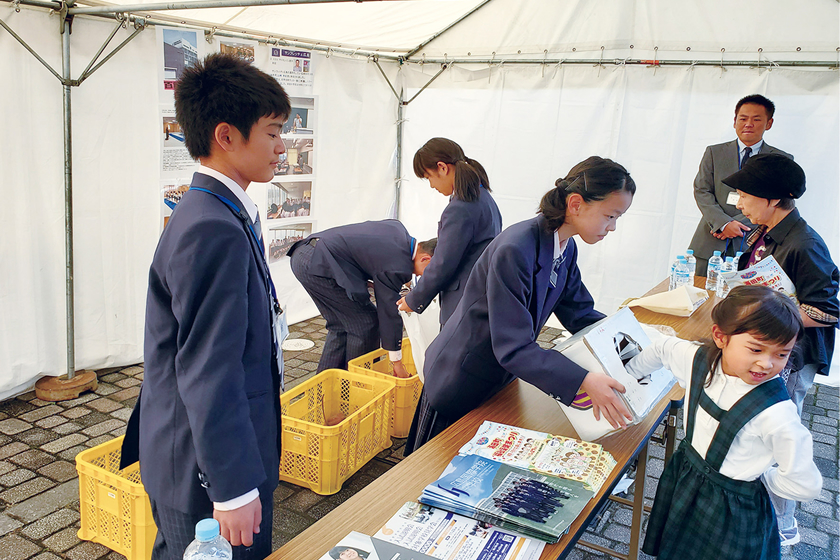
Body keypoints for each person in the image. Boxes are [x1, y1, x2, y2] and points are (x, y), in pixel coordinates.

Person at [119, 54, 290, 560]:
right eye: (273, 132)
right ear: (226, 136)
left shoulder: (217, 209)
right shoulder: (212, 225)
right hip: (202, 464)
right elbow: (208, 366)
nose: (283, 147)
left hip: (200, 450)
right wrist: (233, 487)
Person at [404, 156, 636, 455]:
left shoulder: (564, 246)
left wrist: (628, 339)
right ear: (576, 204)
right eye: (610, 216)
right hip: (462, 375)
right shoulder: (517, 248)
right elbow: (513, 346)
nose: (613, 227)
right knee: (433, 470)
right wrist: (583, 380)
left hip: (499, 374)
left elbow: (579, 312)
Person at [626, 286, 822, 560]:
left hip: (734, 510)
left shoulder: (778, 415)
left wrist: (761, 479)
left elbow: (805, 484)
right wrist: (628, 377)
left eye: (781, 354)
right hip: (686, 478)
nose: (766, 363)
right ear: (720, 336)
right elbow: (662, 348)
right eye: (756, 348)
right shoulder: (696, 359)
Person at [726, 153, 839, 545]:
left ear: (773, 199)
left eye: (744, 194)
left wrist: (774, 311)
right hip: (772, 351)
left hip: (792, 357)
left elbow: (826, 311)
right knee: (761, 431)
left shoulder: (805, 244)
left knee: (780, 436)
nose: (738, 202)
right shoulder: (766, 229)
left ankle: (782, 522)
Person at [288, 220, 436, 378]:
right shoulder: (396, 265)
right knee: (365, 322)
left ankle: (324, 390)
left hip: (306, 254)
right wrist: (397, 364)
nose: (424, 277)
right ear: (425, 259)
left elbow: (366, 255)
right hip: (319, 263)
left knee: (340, 325)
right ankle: (355, 387)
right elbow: (388, 312)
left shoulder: (398, 230)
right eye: (431, 271)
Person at [397, 138, 502, 326]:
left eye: (429, 177)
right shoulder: (484, 197)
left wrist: (414, 299)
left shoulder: (460, 207)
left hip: (463, 301)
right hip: (482, 294)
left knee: (450, 354)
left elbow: (443, 262)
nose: (431, 185)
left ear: (442, 168)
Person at [688, 94, 792, 275]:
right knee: (699, 295)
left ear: (769, 123)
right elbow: (702, 190)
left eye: (756, 119)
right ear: (735, 121)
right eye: (743, 118)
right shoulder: (714, 152)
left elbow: (779, 202)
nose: (748, 124)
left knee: (742, 299)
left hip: (752, 243)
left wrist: (738, 225)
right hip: (711, 239)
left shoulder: (780, 160)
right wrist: (723, 223)